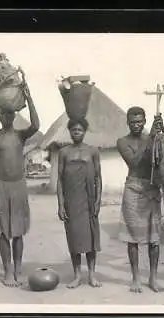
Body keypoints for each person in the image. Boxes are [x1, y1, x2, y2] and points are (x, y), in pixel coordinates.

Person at [0, 71, 40, 287]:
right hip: (1, 186)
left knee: (18, 232)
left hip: (19, 187)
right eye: (3, 113)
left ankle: (18, 269)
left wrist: (29, 97)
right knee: (4, 232)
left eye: (10, 113)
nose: (7, 116)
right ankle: (7, 271)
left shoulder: (20, 135)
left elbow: (36, 125)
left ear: (14, 115)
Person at [117, 106, 164, 293]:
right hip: (133, 188)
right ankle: (136, 278)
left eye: (139, 121)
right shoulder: (122, 141)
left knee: (154, 239)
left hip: (152, 187)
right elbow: (134, 162)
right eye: (132, 122)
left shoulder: (152, 138)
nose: (136, 125)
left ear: (145, 121)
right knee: (133, 237)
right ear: (128, 123)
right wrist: (150, 138)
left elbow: (162, 158)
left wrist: (161, 134)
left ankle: (153, 278)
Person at [57, 118, 102, 289]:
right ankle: (77, 275)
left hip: (89, 199)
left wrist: (98, 201)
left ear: (84, 131)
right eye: (74, 129)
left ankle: (92, 275)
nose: (77, 132)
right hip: (71, 201)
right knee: (74, 239)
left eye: (80, 129)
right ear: (69, 132)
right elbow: (60, 180)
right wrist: (61, 205)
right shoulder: (64, 152)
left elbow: (98, 178)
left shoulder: (93, 151)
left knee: (90, 239)